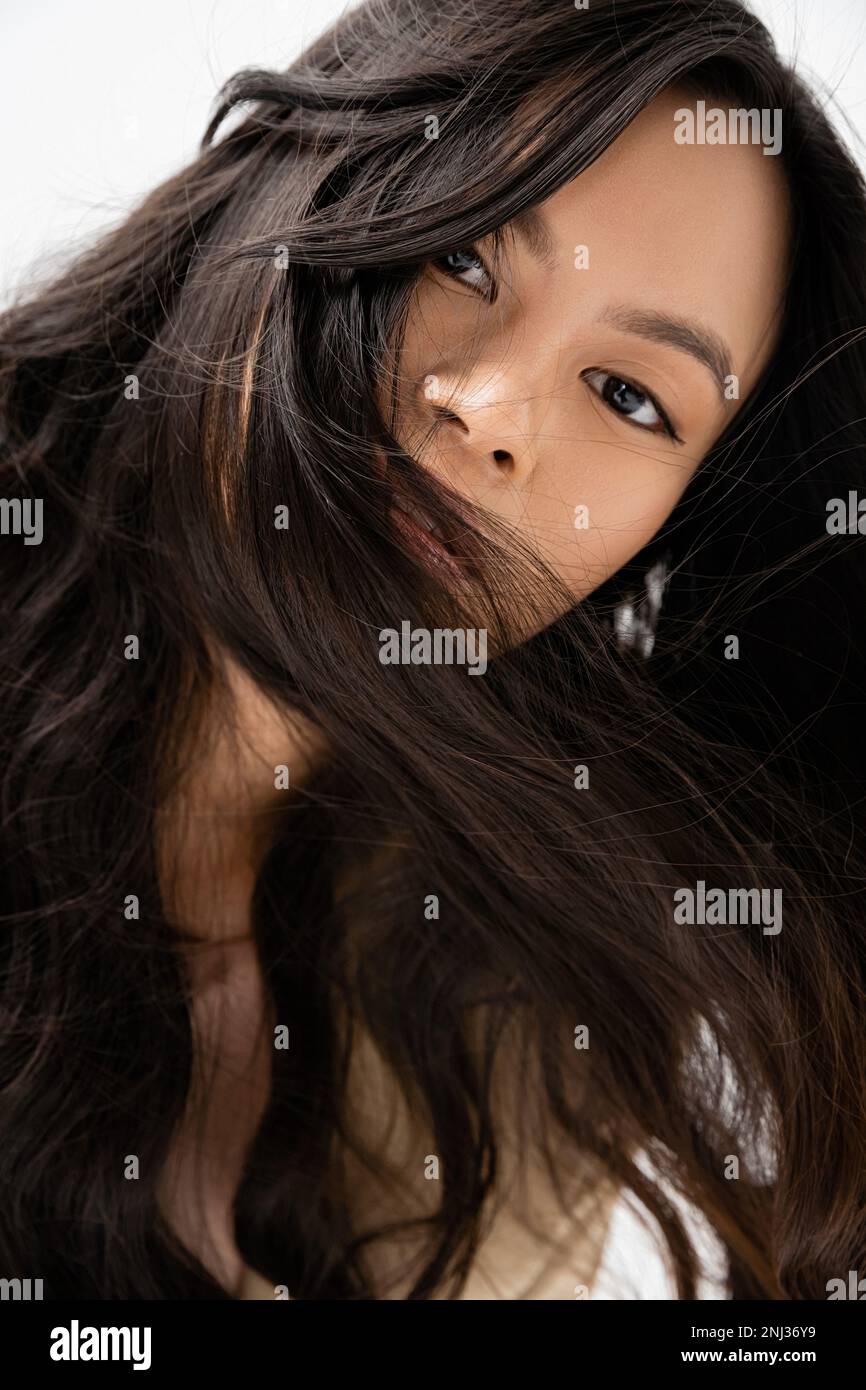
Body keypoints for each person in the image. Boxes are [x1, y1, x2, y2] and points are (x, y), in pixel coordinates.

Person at [2, 0, 866, 1301]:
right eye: (461, 256)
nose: (490, 406)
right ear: (295, 172)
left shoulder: (505, 1049)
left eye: (630, 396)